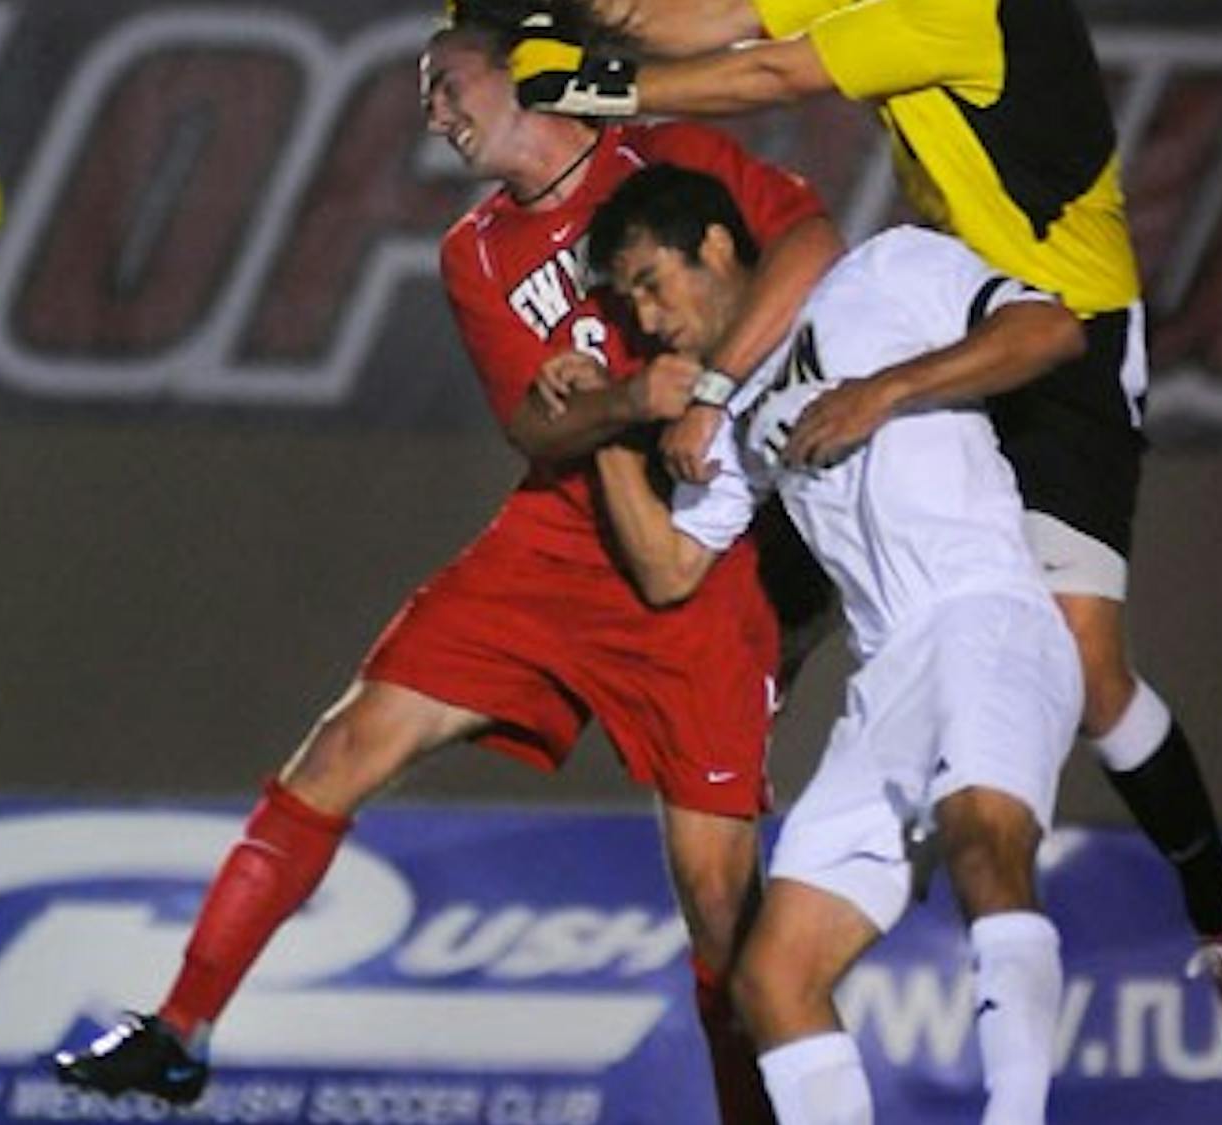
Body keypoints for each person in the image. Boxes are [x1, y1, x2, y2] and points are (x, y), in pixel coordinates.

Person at [48, 14, 843, 1121]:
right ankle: (180, 1028)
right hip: (557, 546)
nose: (433, 111)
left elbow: (809, 245)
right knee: (345, 744)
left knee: (720, 910)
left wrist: (710, 389)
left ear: (524, 66)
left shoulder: (667, 156)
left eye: (445, 81)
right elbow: (538, 430)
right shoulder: (472, 254)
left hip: (705, 561)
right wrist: (619, 401)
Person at [509, 0, 1222, 1067]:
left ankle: (1220, 907)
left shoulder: (970, 10)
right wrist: (599, 23)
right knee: (791, 566)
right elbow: (714, 22)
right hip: (928, 297)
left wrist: (593, 84)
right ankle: (850, 802)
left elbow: (767, 79)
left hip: (1059, 331)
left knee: (1082, 663)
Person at [581, 161, 1085, 1125]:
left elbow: (1050, 328)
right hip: (888, 675)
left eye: (652, 281)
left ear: (718, 246)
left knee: (987, 841)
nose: (645, 316)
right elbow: (671, 568)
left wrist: (883, 390)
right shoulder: (726, 413)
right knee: (772, 975)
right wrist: (603, 432)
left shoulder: (886, 270)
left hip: (987, 615)